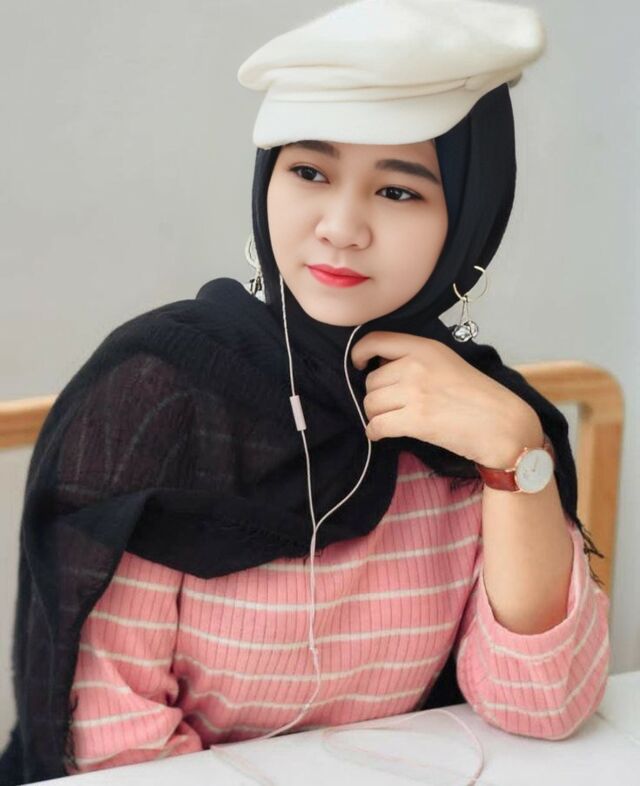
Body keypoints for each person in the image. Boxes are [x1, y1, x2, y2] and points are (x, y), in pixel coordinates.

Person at [0, 1, 611, 782]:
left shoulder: (478, 416)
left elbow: (542, 706)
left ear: (469, 221)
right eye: (310, 172)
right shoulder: (162, 396)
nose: (341, 227)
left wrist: (517, 458)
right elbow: (119, 751)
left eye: (399, 192)